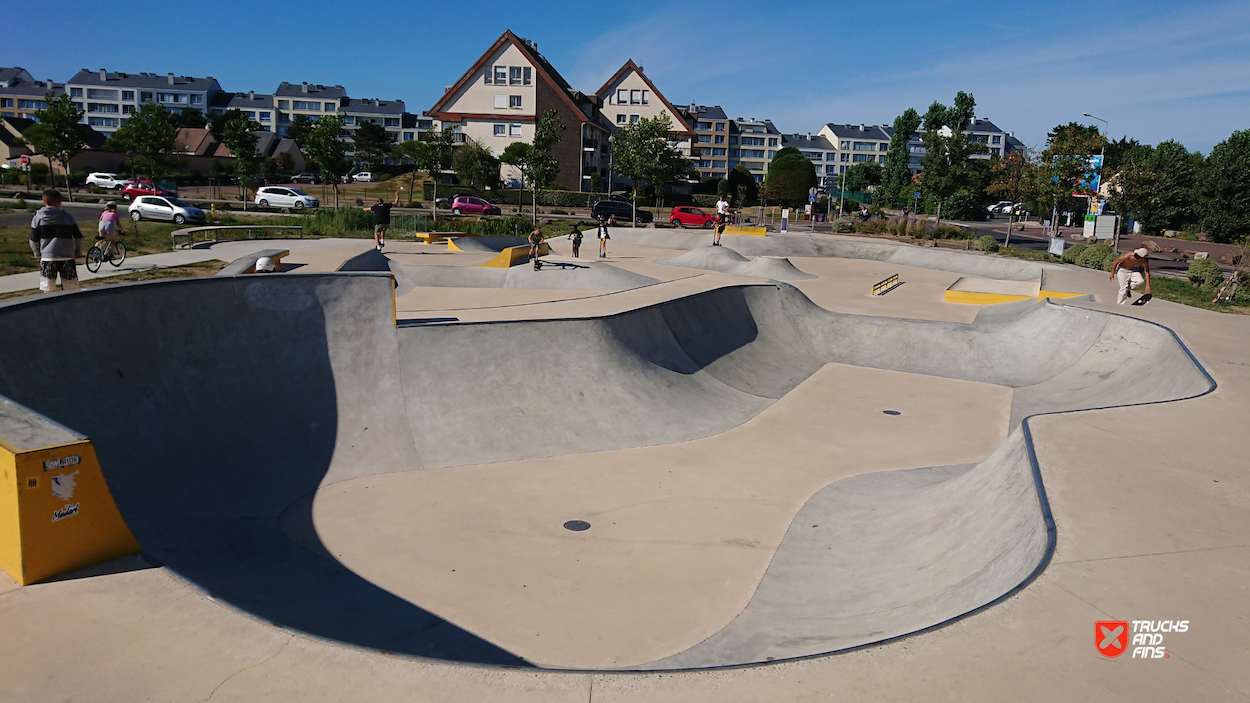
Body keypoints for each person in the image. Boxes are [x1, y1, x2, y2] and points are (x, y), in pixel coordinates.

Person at [30, 189, 83, 293]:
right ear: (60, 202)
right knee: (70, 287)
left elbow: (33, 239)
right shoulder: (67, 217)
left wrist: (37, 253)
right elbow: (78, 237)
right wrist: (78, 252)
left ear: (43, 202)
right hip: (67, 255)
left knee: (48, 288)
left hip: (47, 256)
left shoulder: (37, 218)